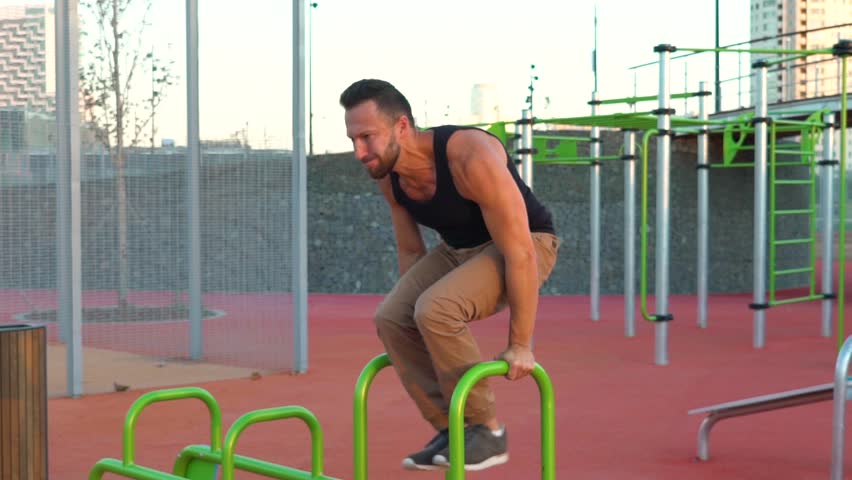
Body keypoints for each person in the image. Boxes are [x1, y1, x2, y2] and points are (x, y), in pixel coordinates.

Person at [340, 79, 559, 472]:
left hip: (528, 244)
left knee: (436, 309)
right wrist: (410, 316)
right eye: (353, 139)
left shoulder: (469, 154)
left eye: (367, 137)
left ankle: (487, 431)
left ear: (402, 127)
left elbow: (520, 251)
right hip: (457, 251)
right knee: (391, 317)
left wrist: (521, 343)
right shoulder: (389, 174)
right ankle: (453, 427)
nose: (359, 152)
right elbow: (410, 250)